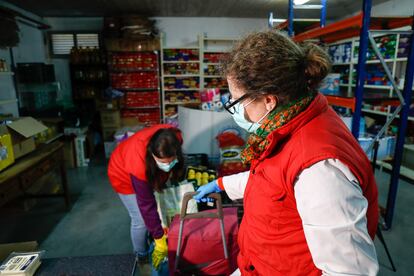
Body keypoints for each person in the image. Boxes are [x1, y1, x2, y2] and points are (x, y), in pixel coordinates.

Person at [194, 30, 379, 275]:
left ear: (269, 100)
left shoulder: (320, 168)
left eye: (237, 101)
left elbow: (349, 271)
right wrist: (223, 184)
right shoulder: (294, 119)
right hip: (260, 263)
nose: (235, 109)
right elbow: (276, 180)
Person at [108, 124, 183, 270]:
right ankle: (141, 255)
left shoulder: (175, 138)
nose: (167, 165)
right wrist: (159, 239)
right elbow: (147, 206)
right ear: (152, 155)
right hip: (121, 173)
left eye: (170, 161)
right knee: (140, 219)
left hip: (143, 164)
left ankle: (150, 237)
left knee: (158, 202)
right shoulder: (138, 165)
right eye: (162, 162)